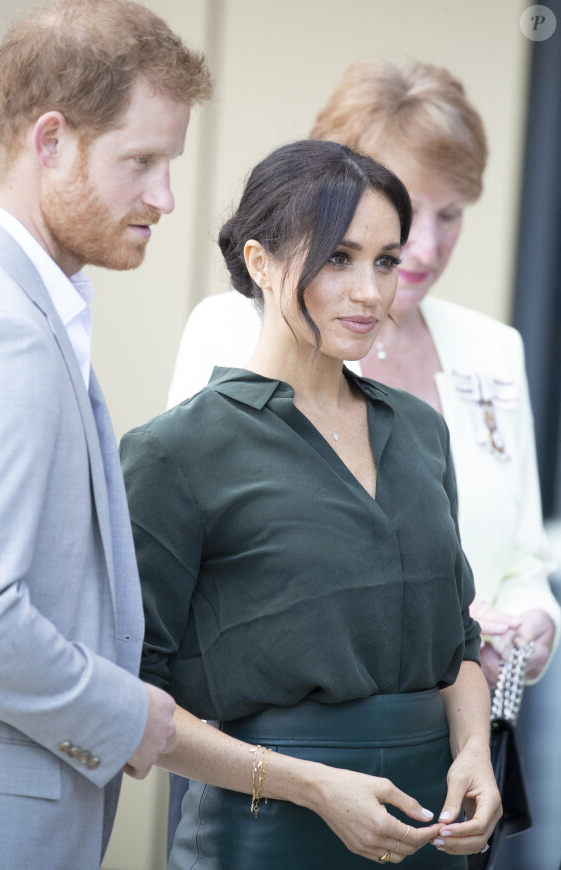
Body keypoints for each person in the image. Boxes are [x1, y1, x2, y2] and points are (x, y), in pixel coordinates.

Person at [121, 139, 501, 869]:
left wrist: (475, 753)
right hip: (266, 831)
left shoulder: (420, 432)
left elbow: (457, 644)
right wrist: (310, 785)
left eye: (385, 260)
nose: (370, 292)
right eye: (338, 258)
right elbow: (133, 694)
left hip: (433, 827)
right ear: (260, 264)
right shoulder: (176, 452)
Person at [166, 60, 560, 687]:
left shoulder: (493, 349)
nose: (425, 247)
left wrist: (533, 620)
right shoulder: (233, 328)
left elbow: (523, 558)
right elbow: (196, 552)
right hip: (278, 735)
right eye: (408, 208)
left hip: (465, 732)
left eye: (451, 214)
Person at [0, 2, 211, 868]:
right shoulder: (4, 325)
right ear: (50, 142)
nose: (165, 197)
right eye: (140, 161)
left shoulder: (30, 307)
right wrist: (127, 715)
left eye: (170, 162)